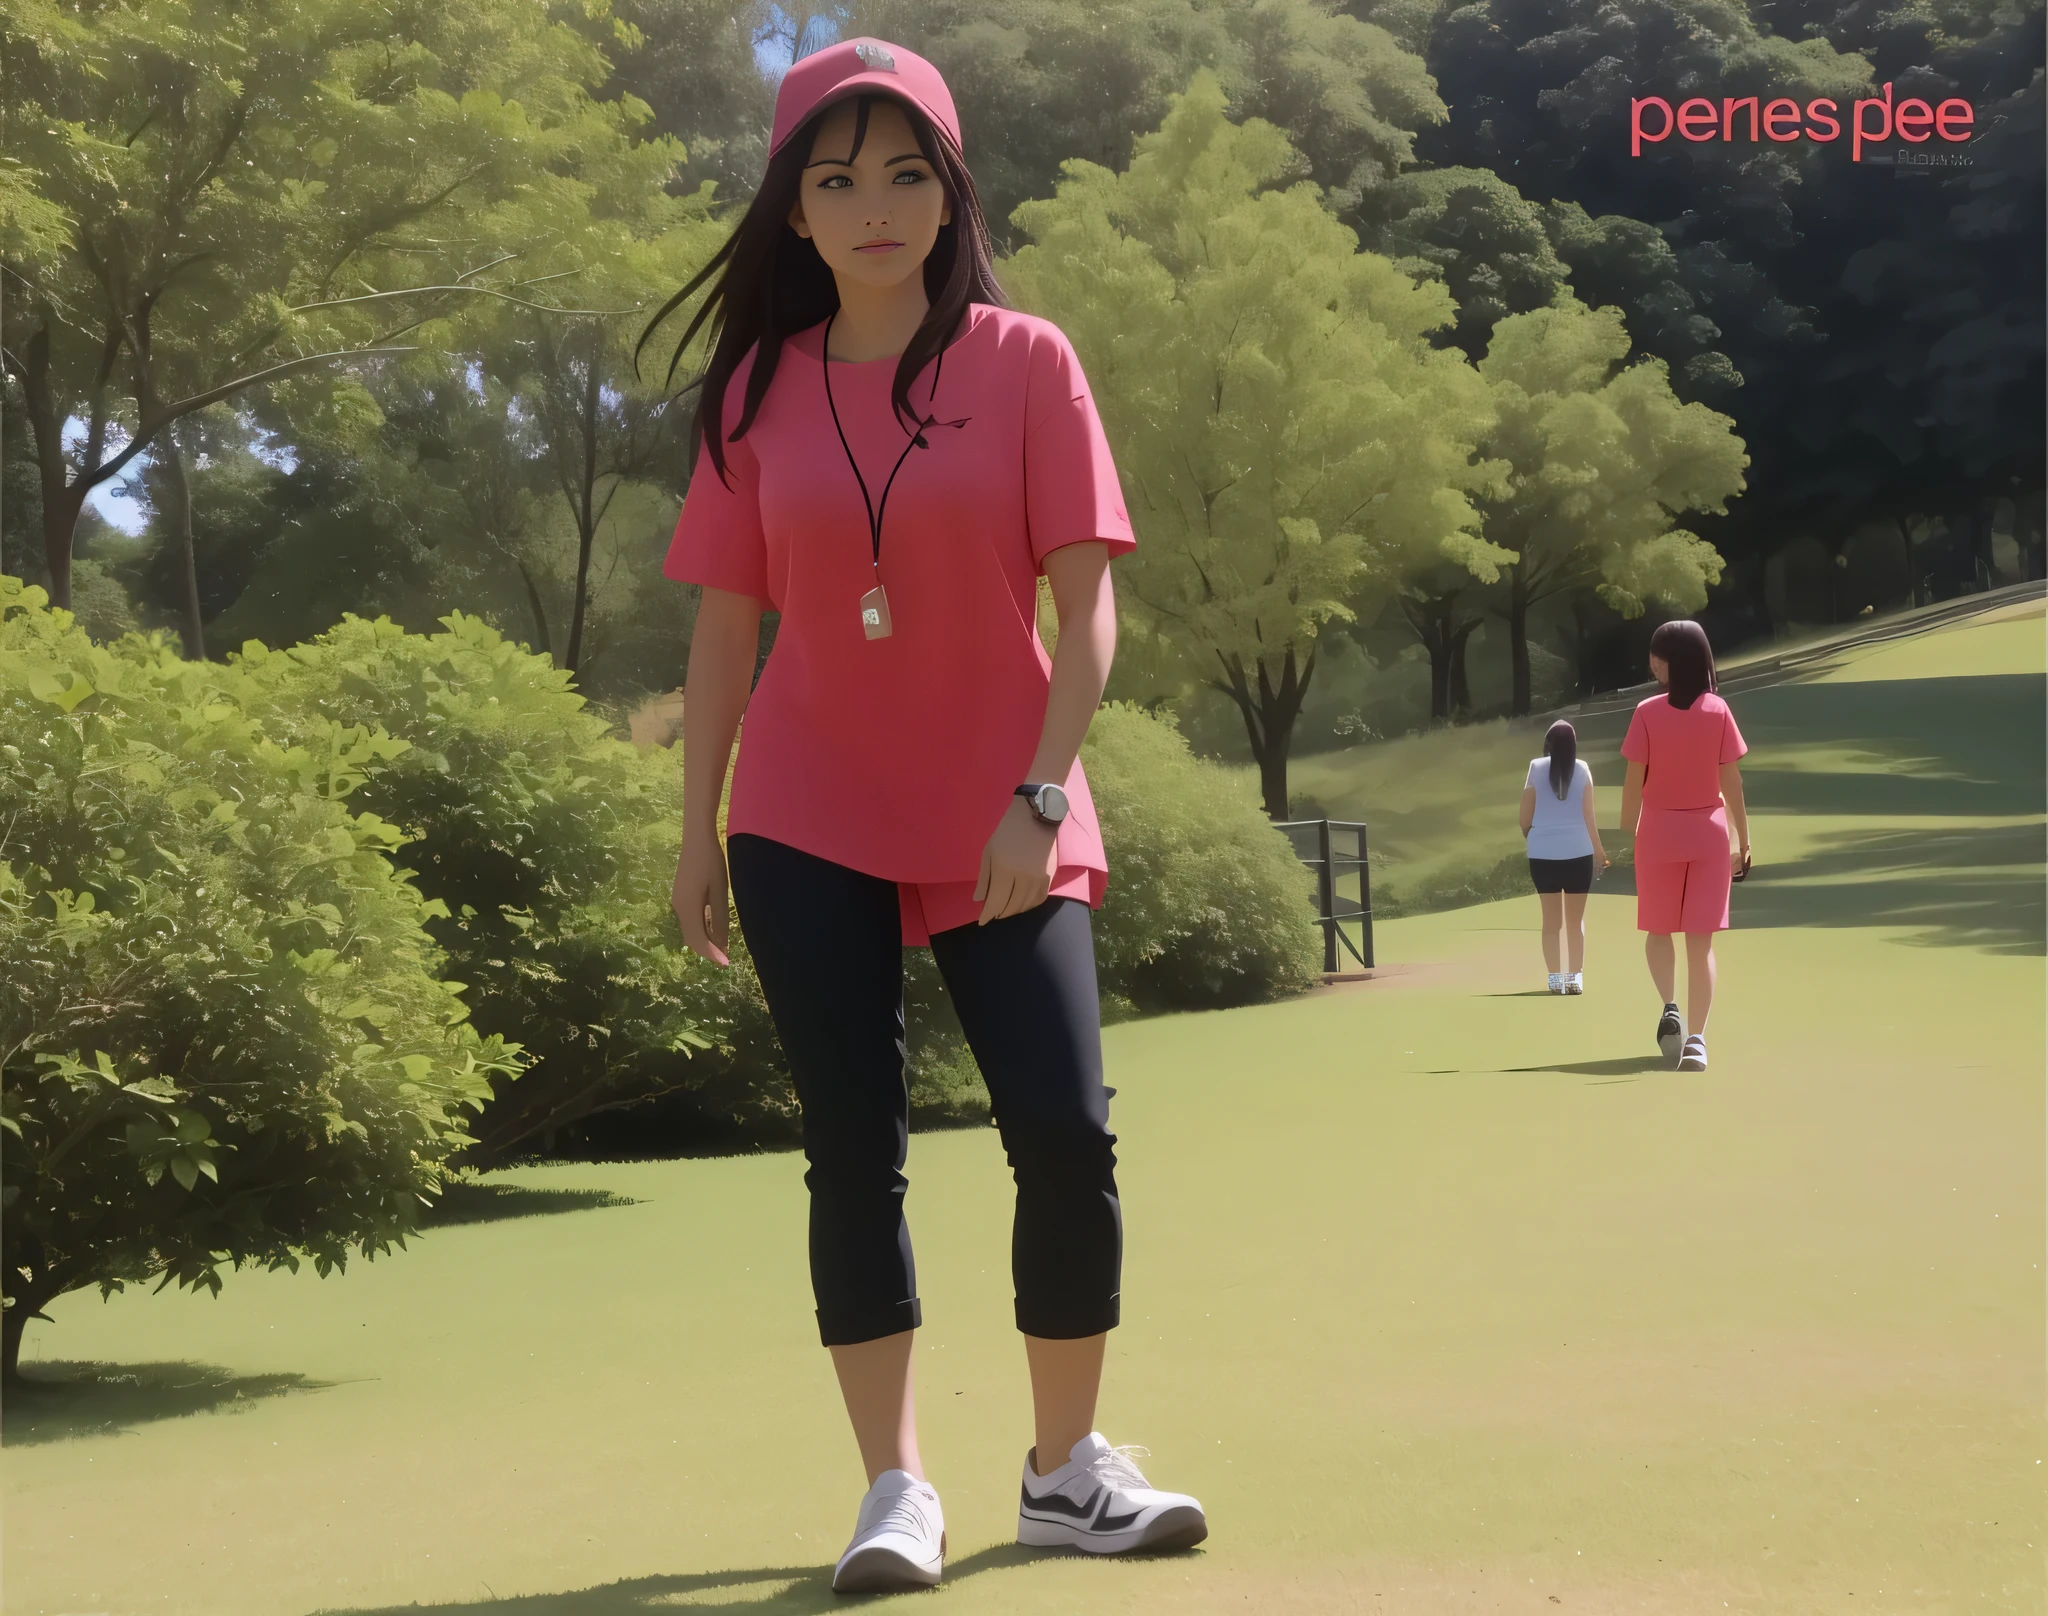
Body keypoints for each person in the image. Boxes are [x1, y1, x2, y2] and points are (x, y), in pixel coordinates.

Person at [640, 38, 1206, 1595]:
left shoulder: (1030, 362)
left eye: (905, 173)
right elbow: (720, 632)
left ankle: (1065, 1472)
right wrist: (697, 834)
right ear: (796, 214)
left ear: (951, 193)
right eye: (837, 180)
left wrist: (1037, 796)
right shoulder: (752, 394)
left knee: (1067, 1134)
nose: (874, 205)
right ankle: (894, 1489)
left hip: (1003, 805)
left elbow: (1088, 614)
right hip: (805, 807)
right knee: (852, 1152)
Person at [1617, 620, 1752, 1072]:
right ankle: (1697, 1039)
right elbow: (1731, 782)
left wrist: (1625, 830)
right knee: (1701, 942)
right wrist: (1744, 841)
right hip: (1709, 833)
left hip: (1656, 833)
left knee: (1659, 930)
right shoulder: (1718, 711)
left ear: (1677, 660)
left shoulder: (1646, 712)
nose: (1653, 662)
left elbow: (1634, 780)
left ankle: (1669, 1007)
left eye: (1659, 655)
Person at [1518, 720, 1610, 994]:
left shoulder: (1535, 767)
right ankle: (1575, 978)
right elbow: (1589, 817)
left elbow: (1524, 817)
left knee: (1551, 922)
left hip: (1542, 855)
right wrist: (1600, 852)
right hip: (1578, 854)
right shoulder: (1583, 769)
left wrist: (1535, 839)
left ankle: (1555, 980)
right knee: (1574, 921)